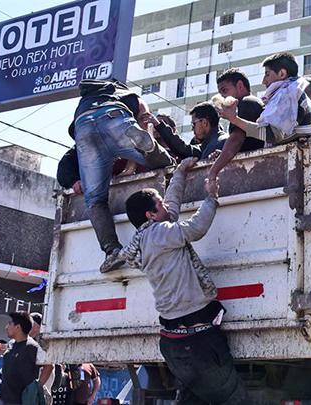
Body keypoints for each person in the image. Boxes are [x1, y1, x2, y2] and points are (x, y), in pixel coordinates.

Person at [113, 157, 247, 403]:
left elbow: (171, 206)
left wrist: (180, 172)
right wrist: (211, 196)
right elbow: (195, 228)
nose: (166, 205)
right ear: (151, 215)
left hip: (174, 342)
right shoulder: (159, 234)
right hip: (197, 342)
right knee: (234, 399)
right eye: (160, 203)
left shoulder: (144, 238)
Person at [70, 79, 175, 271]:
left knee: (94, 199)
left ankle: (112, 250)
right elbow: (144, 118)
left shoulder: (84, 102)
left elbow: (74, 136)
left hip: (82, 126)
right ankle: (150, 147)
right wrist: (132, 161)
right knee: (165, 163)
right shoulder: (128, 95)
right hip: (115, 118)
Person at [216, 52, 311, 174]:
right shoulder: (292, 90)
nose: (263, 81)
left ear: (282, 74)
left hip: (296, 163)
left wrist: (235, 119)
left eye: (267, 74)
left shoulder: (287, 94)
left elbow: (271, 134)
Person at [207, 68, 265, 180]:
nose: (223, 98)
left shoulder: (246, 102)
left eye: (225, 90)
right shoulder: (250, 104)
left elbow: (236, 141)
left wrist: (213, 173)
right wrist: (222, 155)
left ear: (240, 85)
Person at [0, 312, 51, 405]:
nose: (6, 327)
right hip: (4, 400)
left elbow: (49, 366)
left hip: (22, 401)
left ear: (17, 327)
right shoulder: (11, 344)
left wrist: (36, 387)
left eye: (10, 323)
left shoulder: (32, 347)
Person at [155, 102, 228, 160]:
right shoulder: (208, 144)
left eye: (193, 124)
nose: (192, 129)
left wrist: (158, 124)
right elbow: (183, 149)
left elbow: (183, 149)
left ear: (204, 122)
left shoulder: (221, 142)